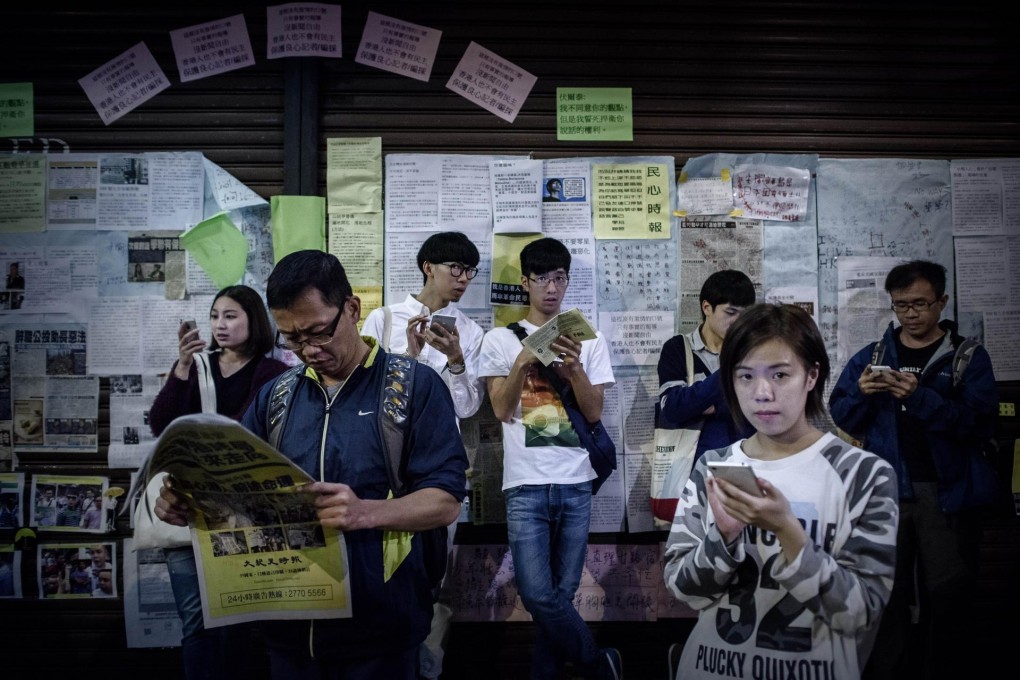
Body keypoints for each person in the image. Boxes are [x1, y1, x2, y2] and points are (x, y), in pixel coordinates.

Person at [156, 249, 468, 680]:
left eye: (318, 332)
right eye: (292, 339)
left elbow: (446, 500)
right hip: (287, 626)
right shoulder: (276, 396)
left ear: (352, 309)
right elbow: (238, 490)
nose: (308, 350)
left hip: (380, 628)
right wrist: (190, 503)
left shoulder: (413, 386)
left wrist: (367, 512)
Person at [663, 303, 899, 679]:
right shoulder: (716, 466)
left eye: (780, 375)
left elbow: (859, 613)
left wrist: (787, 530)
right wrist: (722, 536)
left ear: (811, 375)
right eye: (744, 377)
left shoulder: (863, 473)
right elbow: (686, 591)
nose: (762, 393)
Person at [828, 260, 999, 680]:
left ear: (941, 301)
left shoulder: (967, 358)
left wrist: (920, 398)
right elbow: (843, 417)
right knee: (886, 595)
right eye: (901, 305)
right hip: (887, 495)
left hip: (947, 494)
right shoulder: (873, 357)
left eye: (920, 304)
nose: (911, 314)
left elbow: (979, 422)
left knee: (948, 596)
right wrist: (864, 396)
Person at [478, 237, 622, 680]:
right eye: (541, 277)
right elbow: (502, 410)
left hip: (576, 481)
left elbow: (594, 412)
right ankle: (598, 664)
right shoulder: (500, 340)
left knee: (559, 597)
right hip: (524, 485)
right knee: (539, 595)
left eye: (559, 277)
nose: (551, 287)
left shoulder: (586, 338)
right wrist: (524, 360)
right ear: (525, 282)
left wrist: (574, 369)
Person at [145, 284, 289, 680]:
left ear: (253, 320)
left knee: (237, 620)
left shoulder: (273, 371)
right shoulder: (198, 365)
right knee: (195, 623)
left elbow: (254, 433)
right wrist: (181, 368)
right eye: (214, 316)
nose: (220, 325)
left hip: (240, 514)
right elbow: (161, 422)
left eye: (230, 316)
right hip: (187, 510)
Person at [361, 230, 485, 680]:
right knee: (380, 566)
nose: (464, 279)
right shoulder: (384, 320)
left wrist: (455, 362)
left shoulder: (468, 331)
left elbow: (468, 407)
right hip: (384, 463)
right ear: (428, 266)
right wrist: (408, 361)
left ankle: (427, 669)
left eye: (470, 271)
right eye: (456, 268)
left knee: (435, 573)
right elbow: (365, 394)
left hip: (439, 463)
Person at [656, 269, 757, 460]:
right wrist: (731, 371)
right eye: (730, 312)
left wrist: (710, 406)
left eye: (744, 314)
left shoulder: (754, 351)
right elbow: (673, 408)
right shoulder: (678, 348)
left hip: (748, 460)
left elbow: (759, 406)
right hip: (693, 466)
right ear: (706, 308)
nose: (738, 322)